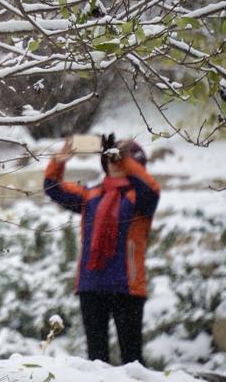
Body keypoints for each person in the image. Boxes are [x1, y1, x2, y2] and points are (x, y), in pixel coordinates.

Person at [43, 134, 160, 364]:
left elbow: (152, 189)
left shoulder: (141, 197)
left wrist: (122, 157)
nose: (115, 163)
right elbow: (53, 188)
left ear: (134, 164)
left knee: (132, 359)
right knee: (96, 360)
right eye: (110, 159)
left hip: (127, 286)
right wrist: (58, 162)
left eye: (121, 160)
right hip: (92, 285)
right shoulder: (92, 195)